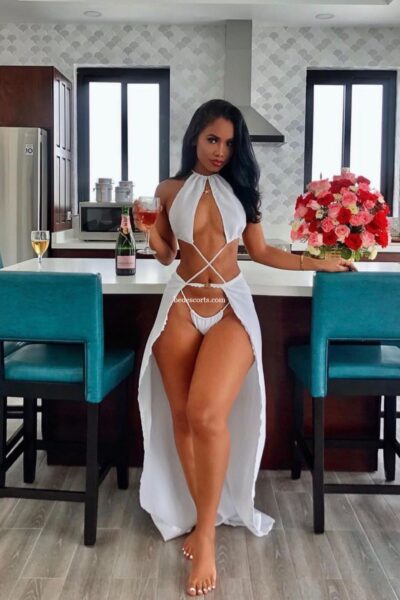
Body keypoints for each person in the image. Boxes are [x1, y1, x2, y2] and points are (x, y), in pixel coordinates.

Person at [133, 99, 355, 597]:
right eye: (213, 139)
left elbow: (262, 252)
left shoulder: (243, 190)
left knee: (206, 413)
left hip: (230, 304)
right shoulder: (168, 190)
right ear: (195, 137)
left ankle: (208, 536)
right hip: (182, 301)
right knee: (182, 419)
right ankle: (201, 520)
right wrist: (148, 230)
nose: (221, 150)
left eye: (230, 143)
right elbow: (167, 254)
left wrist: (318, 262)